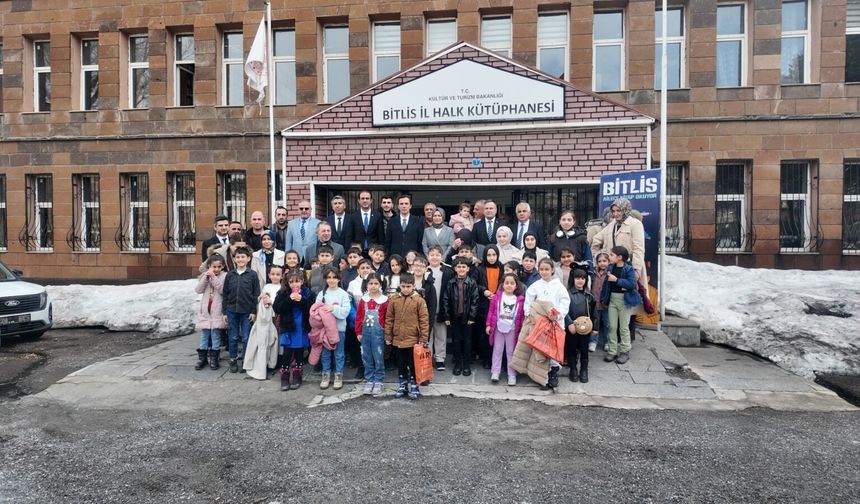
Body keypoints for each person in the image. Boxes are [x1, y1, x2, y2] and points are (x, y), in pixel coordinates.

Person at [524, 257, 570, 390]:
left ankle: (553, 373)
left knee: (553, 348)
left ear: (552, 270)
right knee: (541, 350)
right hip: (540, 323)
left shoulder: (559, 286)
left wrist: (558, 313)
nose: (544, 272)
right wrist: (529, 314)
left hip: (555, 323)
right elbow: (528, 301)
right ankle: (542, 376)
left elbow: (565, 302)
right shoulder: (535, 286)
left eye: (547, 269)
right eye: (541, 269)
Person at [384, 273, 430, 400]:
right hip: (398, 338)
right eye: (403, 286)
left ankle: (414, 384)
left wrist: (423, 339)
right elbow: (389, 319)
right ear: (400, 285)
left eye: (408, 286)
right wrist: (388, 335)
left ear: (414, 286)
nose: (405, 289)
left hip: (413, 339)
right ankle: (402, 384)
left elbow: (424, 321)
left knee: (413, 363)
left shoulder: (419, 301)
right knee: (401, 363)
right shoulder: (394, 300)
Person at [601, 246, 641, 365]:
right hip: (612, 300)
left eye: (612, 255)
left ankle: (624, 351)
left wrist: (617, 280)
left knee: (623, 327)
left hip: (624, 301)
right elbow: (605, 285)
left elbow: (632, 284)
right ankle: (612, 351)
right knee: (612, 326)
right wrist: (604, 299)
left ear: (620, 257)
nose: (609, 257)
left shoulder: (628, 269)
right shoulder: (610, 267)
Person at [222, 247, 260, 373]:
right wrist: (224, 312)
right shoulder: (230, 275)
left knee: (246, 337)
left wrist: (254, 311)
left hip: (246, 311)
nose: (240, 259)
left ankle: (246, 359)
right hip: (232, 310)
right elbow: (225, 294)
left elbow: (256, 294)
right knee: (233, 336)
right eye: (237, 257)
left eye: (243, 257)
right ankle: (233, 359)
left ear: (248, 259)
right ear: (234, 259)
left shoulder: (252, 275)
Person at [441, 257, 481, 376]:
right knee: (456, 342)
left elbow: (475, 300)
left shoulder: (472, 283)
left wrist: (472, 317)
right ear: (455, 268)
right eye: (459, 267)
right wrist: (447, 317)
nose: (461, 269)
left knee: (467, 342)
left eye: (464, 267)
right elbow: (446, 300)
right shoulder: (451, 283)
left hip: (467, 318)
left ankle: (466, 365)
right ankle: (458, 364)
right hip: (455, 318)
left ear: (468, 269)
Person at [273, 270, 311, 391]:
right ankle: (284, 375)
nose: (295, 285)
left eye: (297, 281)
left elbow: (310, 308)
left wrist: (302, 300)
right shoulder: (283, 293)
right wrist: (289, 299)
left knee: (299, 350)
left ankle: (297, 374)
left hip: (302, 326)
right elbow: (278, 308)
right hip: (288, 326)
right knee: (287, 351)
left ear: (302, 281)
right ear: (287, 283)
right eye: (291, 282)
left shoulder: (307, 293)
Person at [243, 264, 282, 379]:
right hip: (267, 317)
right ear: (269, 275)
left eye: (278, 274)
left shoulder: (282, 288)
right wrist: (263, 299)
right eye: (273, 274)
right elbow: (261, 300)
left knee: (276, 340)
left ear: (282, 276)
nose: (275, 277)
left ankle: (274, 361)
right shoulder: (266, 287)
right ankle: (264, 362)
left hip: (278, 316)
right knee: (266, 339)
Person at [486, 273, 525, 386]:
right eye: (506, 283)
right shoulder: (497, 296)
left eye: (512, 283)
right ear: (502, 284)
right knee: (497, 350)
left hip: (512, 330)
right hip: (498, 328)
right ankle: (495, 372)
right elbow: (491, 311)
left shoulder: (520, 299)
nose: (509, 285)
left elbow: (521, 316)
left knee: (510, 352)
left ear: (516, 286)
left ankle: (511, 374)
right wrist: (488, 324)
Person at [316, 266, 351, 390]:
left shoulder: (343, 294)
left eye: (334, 277)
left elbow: (346, 312)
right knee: (325, 353)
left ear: (338, 279)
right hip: (325, 329)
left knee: (339, 353)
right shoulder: (322, 293)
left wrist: (333, 309)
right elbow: (316, 309)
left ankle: (338, 375)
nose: (331, 280)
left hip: (339, 328)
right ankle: (326, 374)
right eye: (329, 278)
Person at [355, 273, 388, 396]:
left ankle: (379, 380)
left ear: (380, 285)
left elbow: (388, 318)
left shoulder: (384, 301)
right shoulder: (363, 300)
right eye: (370, 283)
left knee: (378, 357)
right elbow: (358, 318)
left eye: (376, 283)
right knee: (366, 356)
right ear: (366, 285)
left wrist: (387, 333)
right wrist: (358, 332)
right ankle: (369, 379)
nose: (373, 286)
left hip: (378, 334)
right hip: (365, 334)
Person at [194, 254, 227, 371]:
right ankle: (202, 359)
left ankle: (214, 358)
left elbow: (223, 290)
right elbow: (198, 290)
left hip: (217, 310)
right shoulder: (205, 275)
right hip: (206, 311)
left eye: (219, 267)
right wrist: (206, 277)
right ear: (209, 266)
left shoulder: (224, 276)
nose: (217, 269)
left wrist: (214, 278)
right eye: (214, 267)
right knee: (204, 335)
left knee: (215, 335)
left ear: (223, 266)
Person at [472, 244, 502, 369]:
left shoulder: (502, 267)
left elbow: (504, 282)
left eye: (494, 255)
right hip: (483, 304)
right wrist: (484, 291)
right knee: (484, 332)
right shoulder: (480, 268)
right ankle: (485, 357)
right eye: (489, 255)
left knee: (495, 332)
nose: (491, 258)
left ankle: (493, 357)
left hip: (497, 303)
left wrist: (497, 293)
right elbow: (474, 283)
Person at [565, 269, 597, 383]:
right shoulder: (567, 294)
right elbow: (564, 311)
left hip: (586, 328)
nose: (580, 281)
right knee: (571, 349)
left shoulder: (589, 296)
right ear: (573, 279)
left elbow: (594, 312)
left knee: (584, 349)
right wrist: (569, 323)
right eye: (577, 278)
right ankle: (573, 369)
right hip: (572, 327)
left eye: (583, 278)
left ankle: (584, 370)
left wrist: (595, 328)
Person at [426, 245, 454, 370]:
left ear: (441, 256)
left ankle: (440, 359)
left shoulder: (448, 270)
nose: (434, 257)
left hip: (441, 307)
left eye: (437, 255)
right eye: (432, 255)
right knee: (428, 335)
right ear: (428, 257)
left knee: (441, 335)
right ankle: (428, 357)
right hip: (427, 309)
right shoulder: (424, 270)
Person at [590, 252, 610, 353]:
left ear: (609, 261)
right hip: (595, 302)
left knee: (607, 324)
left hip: (606, 303)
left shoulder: (610, 273)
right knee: (595, 323)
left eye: (604, 261)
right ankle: (593, 341)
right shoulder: (593, 273)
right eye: (600, 261)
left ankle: (607, 342)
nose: (602, 263)